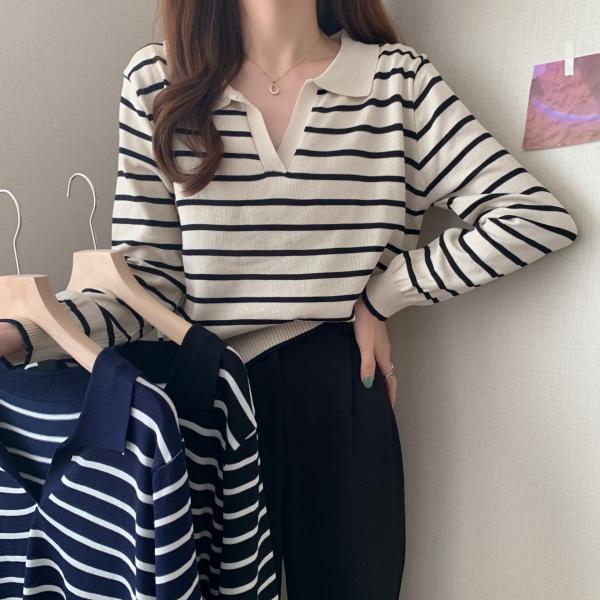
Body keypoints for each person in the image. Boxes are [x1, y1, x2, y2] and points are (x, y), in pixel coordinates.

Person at [0, 0, 578, 598]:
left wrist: (383, 295)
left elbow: (533, 216)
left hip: (337, 396)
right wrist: (25, 332)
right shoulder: (160, 79)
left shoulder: (396, 82)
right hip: (201, 407)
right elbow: (144, 284)